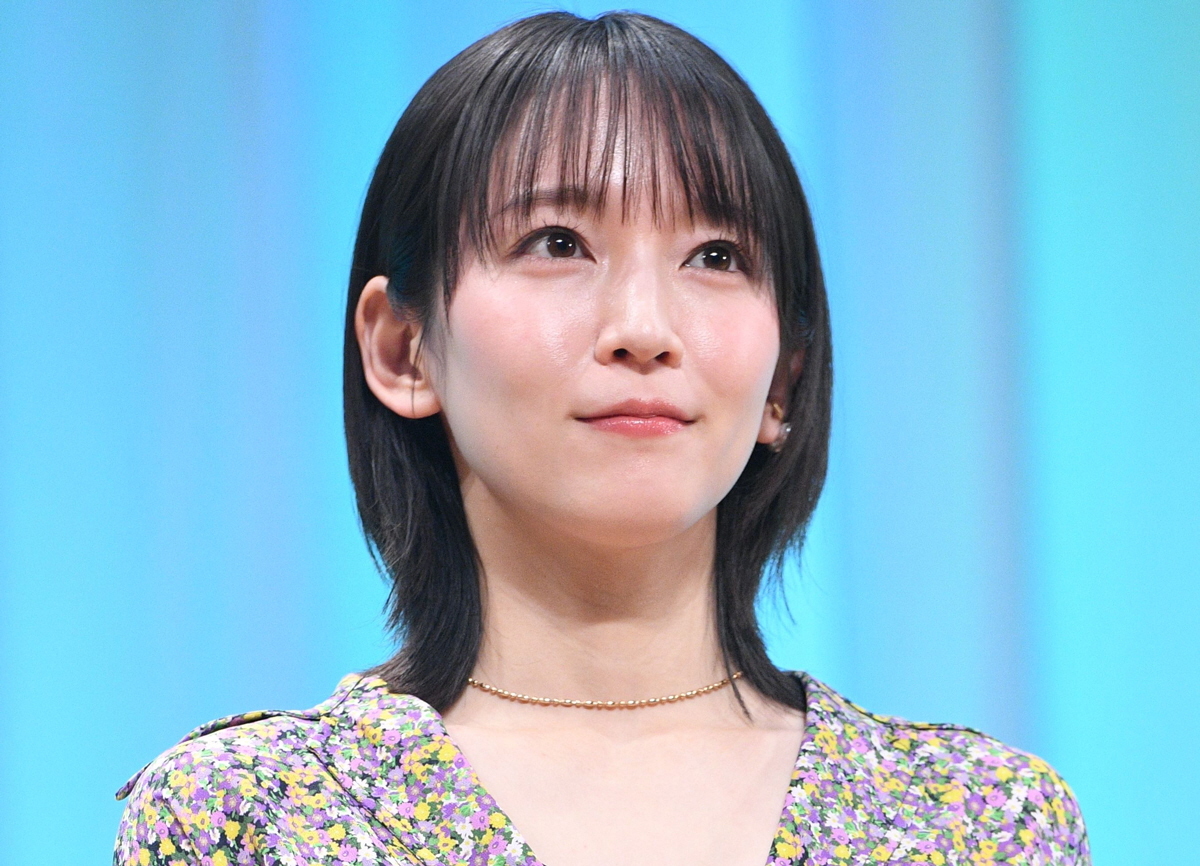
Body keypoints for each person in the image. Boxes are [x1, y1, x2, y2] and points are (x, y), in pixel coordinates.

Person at [114, 11, 1089, 866]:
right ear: (403, 348)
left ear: (784, 378)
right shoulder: (251, 816)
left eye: (715, 255)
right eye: (557, 243)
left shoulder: (978, 823)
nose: (643, 328)